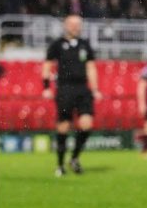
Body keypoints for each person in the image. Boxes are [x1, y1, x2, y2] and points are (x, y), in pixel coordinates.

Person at [42, 15, 102, 176]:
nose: (76, 27)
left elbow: (91, 68)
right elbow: (47, 66)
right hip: (65, 89)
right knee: (63, 126)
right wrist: (46, 87)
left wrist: (95, 89)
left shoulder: (85, 44)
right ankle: (60, 165)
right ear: (66, 25)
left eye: (78, 24)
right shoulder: (57, 45)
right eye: (72, 24)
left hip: (83, 89)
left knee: (87, 125)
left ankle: (74, 158)